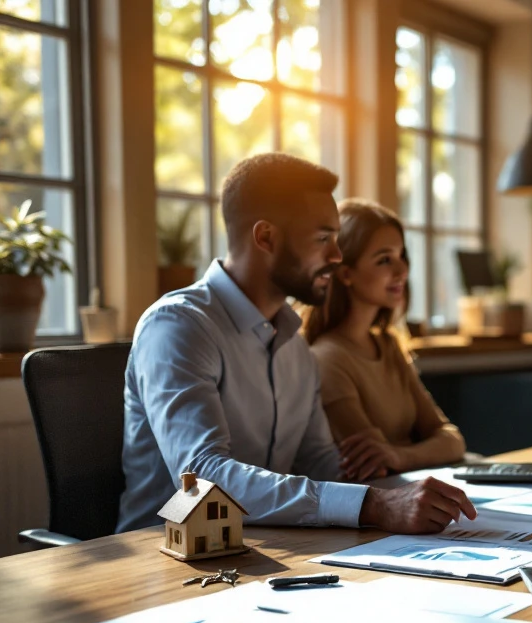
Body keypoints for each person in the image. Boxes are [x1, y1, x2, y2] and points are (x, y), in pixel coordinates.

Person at [118, 153, 475, 535]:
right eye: (323, 239)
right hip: (160, 558)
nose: (336, 258)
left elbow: (319, 461)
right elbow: (202, 480)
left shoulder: (294, 346)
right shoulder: (178, 326)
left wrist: (404, 493)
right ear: (266, 237)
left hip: (264, 547)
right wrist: (375, 504)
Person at [300, 199, 466, 481]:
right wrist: (412, 454)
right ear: (345, 273)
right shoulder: (327, 358)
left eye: (402, 255)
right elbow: (374, 462)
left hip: (416, 486)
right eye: (384, 259)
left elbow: (452, 439)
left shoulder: (388, 344)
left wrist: (400, 455)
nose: (402, 270)